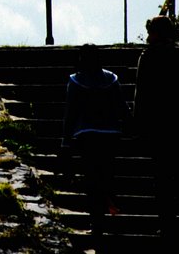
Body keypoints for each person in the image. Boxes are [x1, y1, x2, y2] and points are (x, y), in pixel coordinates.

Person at [133, 15, 179, 237]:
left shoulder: (148, 57)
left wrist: (139, 124)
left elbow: (141, 94)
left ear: (156, 33)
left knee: (162, 176)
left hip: (159, 127)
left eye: (150, 31)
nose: (147, 37)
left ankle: (166, 223)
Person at [62, 44, 131, 232]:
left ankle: (97, 219)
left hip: (87, 134)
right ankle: (107, 210)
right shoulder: (111, 79)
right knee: (107, 174)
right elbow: (122, 107)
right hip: (110, 134)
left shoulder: (76, 81)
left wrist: (65, 142)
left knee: (92, 178)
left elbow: (70, 114)